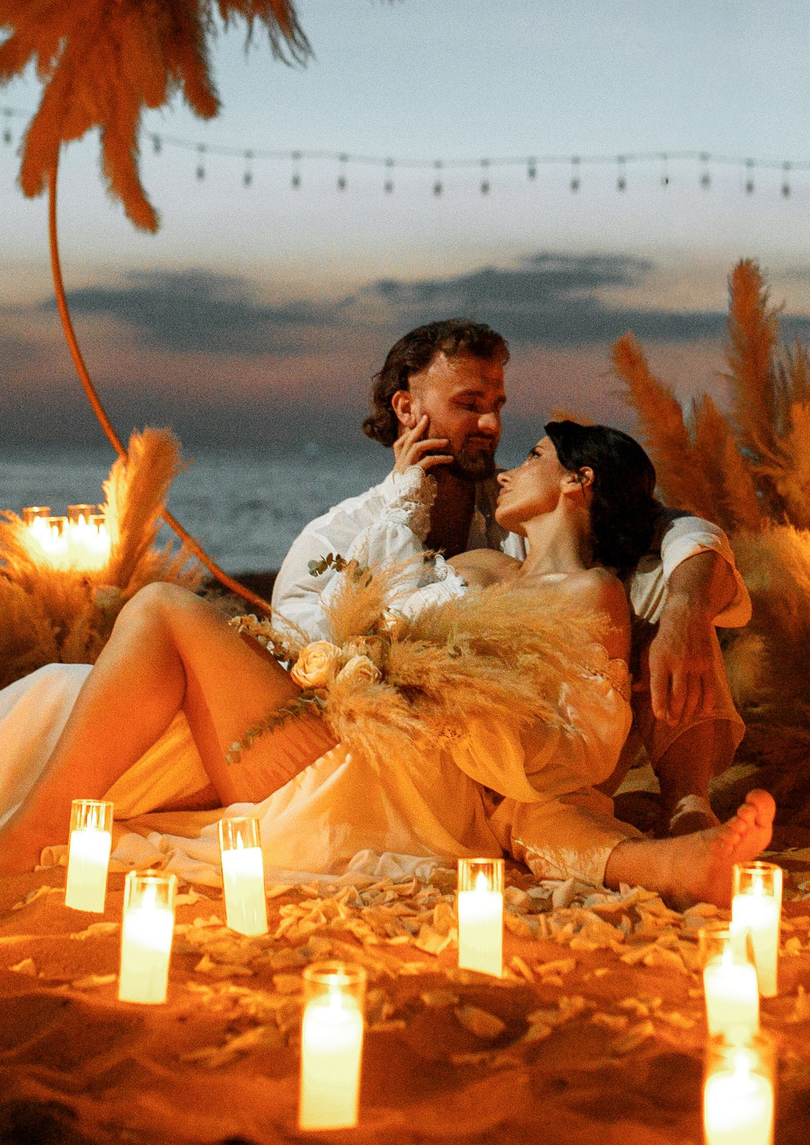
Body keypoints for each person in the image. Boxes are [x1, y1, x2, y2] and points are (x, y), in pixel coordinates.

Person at [0, 422, 771, 910]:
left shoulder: (587, 594)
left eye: (530, 452)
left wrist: (422, 698)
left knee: (170, 608)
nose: (508, 457)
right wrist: (352, 661)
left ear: (577, 483)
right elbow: (351, 609)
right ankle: (11, 817)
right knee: (65, 692)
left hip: (392, 777)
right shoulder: (479, 568)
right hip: (349, 733)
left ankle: (24, 846)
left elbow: (569, 752)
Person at [275, 321, 750, 868]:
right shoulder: (335, 536)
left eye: (498, 403)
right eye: (469, 403)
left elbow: (679, 529)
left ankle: (687, 804)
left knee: (675, 584)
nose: (491, 424)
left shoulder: (524, 510)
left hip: (544, 745)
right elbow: (306, 654)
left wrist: (686, 613)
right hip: (410, 743)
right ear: (406, 409)